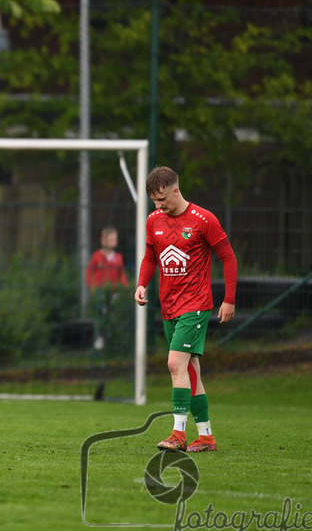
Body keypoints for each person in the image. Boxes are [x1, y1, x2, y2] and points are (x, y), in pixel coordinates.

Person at [134, 166, 237, 453]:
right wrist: (141, 284)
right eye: (154, 201)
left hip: (196, 305)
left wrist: (229, 299)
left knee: (175, 364)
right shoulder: (153, 220)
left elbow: (228, 257)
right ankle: (206, 437)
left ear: (176, 190)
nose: (158, 205)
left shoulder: (204, 220)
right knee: (191, 371)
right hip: (169, 306)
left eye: (162, 199)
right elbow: (151, 257)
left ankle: (178, 434)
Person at [86, 226, 129, 350]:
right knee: (101, 315)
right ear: (102, 241)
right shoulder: (97, 256)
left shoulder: (118, 257)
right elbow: (89, 273)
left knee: (114, 314)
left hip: (114, 292)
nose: (112, 242)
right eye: (109, 240)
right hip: (101, 292)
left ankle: (113, 339)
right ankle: (100, 337)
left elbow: (122, 275)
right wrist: (93, 288)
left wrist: (125, 289)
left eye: (113, 239)